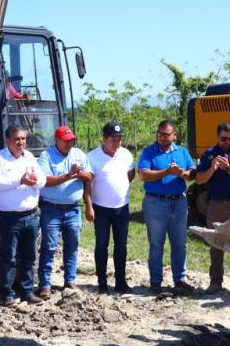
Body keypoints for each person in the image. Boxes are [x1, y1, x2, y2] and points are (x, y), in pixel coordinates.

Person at [194, 120, 230, 295]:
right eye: (224, 139)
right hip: (217, 205)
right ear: (217, 137)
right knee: (216, 243)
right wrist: (213, 168)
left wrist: (228, 168)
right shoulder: (209, 154)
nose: (228, 142)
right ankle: (215, 282)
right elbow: (199, 179)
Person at [0, 125, 46, 306]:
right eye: (17, 139)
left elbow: (43, 179)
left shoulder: (29, 157)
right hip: (10, 217)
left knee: (29, 256)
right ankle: (7, 293)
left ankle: (27, 291)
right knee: (10, 256)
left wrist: (37, 181)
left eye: (23, 139)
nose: (21, 142)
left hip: (31, 216)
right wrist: (19, 181)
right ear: (8, 141)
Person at [138, 120, 196, 295]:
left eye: (166, 134)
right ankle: (156, 281)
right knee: (156, 244)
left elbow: (192, 174)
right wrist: (166, 172)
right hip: (155, 203)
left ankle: (179, 280)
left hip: (178, 202)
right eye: (160, 134)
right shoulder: (149, 152)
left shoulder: (182, 152)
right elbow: (143, 174)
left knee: (179, 243)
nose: (162, 137)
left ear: (174, 135)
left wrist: (181, 173)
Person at [37, 125, 92, 299]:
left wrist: (79, 173)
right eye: (66, 141)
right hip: (51, 208)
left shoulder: (79, 154)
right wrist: (68, 175)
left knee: (72, 245)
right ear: (57, 140)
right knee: (49, 247)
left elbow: (90, 177)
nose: (70, 144)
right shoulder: (46, 156)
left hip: (73, 209)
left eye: (72, 140)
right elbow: (45, 180)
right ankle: (45, 284)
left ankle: (70, 280)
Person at [83, 122, 135, 294]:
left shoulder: (126, 154)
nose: (117, 143)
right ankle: (102, 282)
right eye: (113, 139)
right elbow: (88, 184)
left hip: (122, 207)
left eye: (119, 139)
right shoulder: (92, 157)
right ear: (104, 138)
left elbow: (130, 175)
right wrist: (89, 206)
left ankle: (120, 281)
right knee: (101, 244)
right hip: (101, 208)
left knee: (121, 245)